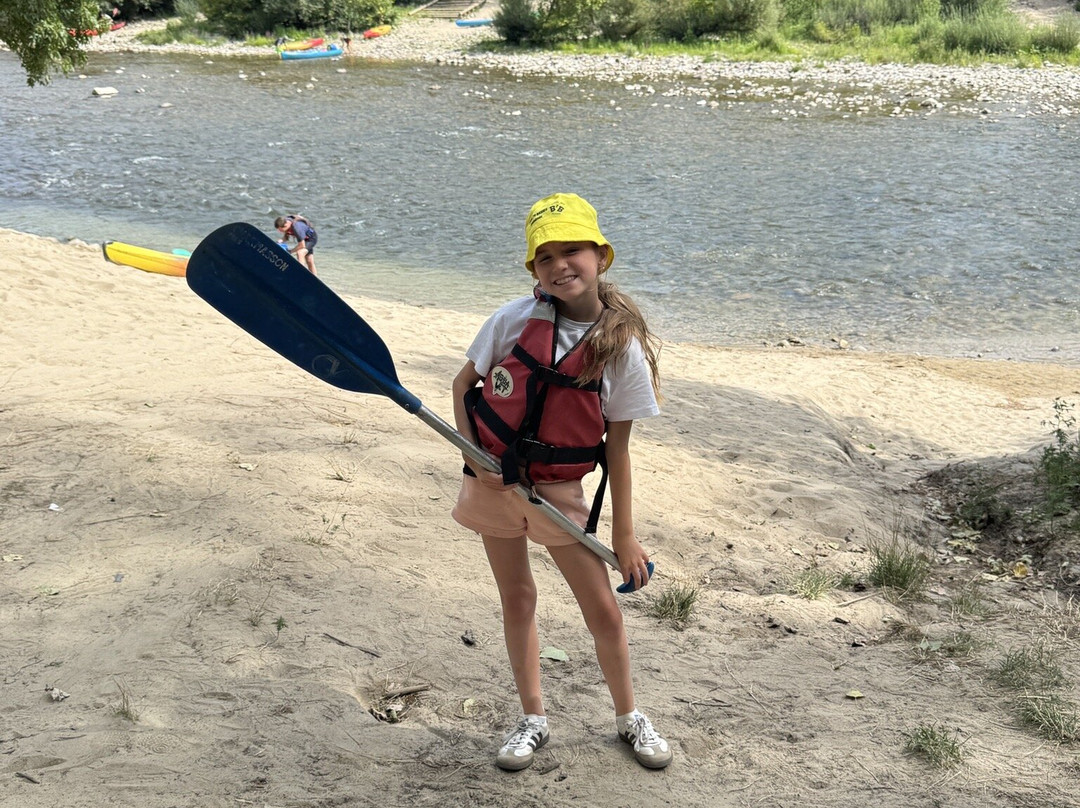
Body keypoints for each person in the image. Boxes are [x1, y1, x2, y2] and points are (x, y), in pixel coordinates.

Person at [450, 193, 671, 771]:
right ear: (533, 269)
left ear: (601, 256)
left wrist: (624, 536)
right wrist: (475, 458)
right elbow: (462, 387)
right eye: (544, 257)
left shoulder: (618, 347)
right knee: (517, 598)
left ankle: (629, 716)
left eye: (572, 250)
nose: (560, 265)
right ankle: (533, 718)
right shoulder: (512, 319)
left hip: (557, 492)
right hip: (494, 484)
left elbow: (617, 451)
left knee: (603, 610)